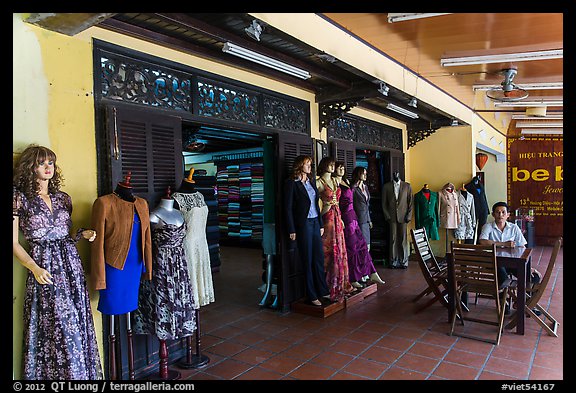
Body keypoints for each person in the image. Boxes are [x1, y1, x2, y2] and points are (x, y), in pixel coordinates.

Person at [12, 144, 102, 380]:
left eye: (50, 162)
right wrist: (34, 267)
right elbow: (13, 243)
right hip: (45, 268)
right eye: (41, 163)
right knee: (57, 328)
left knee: (76, 322)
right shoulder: (19, 199)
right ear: (30, 167)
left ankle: (82, 377)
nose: (47, 167)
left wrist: (82, 234)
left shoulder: (63, 198)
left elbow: (64, 234)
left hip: (71, 267)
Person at [134, 187, 197, 340]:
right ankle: (163, 330)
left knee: (179, 297)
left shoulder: (179, 214)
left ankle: (178, 327)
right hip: (161, 265)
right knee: (162, 300)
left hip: (179, 265)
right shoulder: (153, 216)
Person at [91, 173, 153, 315]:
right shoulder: (104, 203)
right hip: (114, 266)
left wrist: (148, 267)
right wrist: (99, 278)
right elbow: (97, 244)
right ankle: (113, 335)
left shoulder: (142, 204)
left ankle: (128, 334)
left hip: (135, 265)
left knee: (131, 305)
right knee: (112, 306)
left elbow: (147, 239)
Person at [284, 155, 330, 306]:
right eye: (307, 164)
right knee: (308, 259)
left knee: (318, 257)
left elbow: (316, 205)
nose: (310, 166)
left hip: (315, 223)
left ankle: (323, 291)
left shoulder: (311, 182)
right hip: (303, 225)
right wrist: (292, 229)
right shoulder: (292, 183)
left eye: (310, 164)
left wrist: (321, 224)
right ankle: (312, 295)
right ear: (299, 166)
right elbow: (288, 208)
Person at [334, 162, 385, 288]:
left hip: (355, 218)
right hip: (346, 218)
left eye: (342, 167)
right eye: (338, 167)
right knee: (352, 249)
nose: (341, 168)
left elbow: (367, 205)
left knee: (363, 246)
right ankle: (354, 277)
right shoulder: (343, 185)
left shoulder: (345, 182)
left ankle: (371, 272)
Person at [172, 168, 215, 308]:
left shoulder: (200, 196)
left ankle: (199, 299)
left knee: (200, 270)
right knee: (191, 273)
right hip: (188, 243)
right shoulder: (176, 198)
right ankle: (191, 302)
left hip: (202, 241)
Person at [317, 157, 354, 302]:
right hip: (327, 217)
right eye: (330, 165)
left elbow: (338, 202)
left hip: (338, 217)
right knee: (328, 250)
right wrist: (326, 206)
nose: (333, 167)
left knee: (340, 248)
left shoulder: (335, 181)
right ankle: (327, 284)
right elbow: (314, 204)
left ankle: (340, 282)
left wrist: (342, 219)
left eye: (334, 165)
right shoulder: (319, 182)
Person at [479, 201, 527, 286]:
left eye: (503, 212)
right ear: (493, 215)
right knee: (502, 275)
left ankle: (524, 298)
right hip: (492, 262)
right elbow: (482, 241)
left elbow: (522, 245)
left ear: (508, 215)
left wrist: (527, 266)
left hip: (511, 263)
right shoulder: (488, 226)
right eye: (497, 212)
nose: (500, 215)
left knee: (532, 276)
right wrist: (504, 244)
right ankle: (503, 296)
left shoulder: (514, 228)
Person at [381, 171, 413, 269]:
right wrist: (387, 216)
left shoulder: (407, 186)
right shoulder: (386, 187)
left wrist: (409, 216)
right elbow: (384, 203)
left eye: (397, 173)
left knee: (403, 239)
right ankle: (393, 261)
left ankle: (403, 261)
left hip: (403, 217)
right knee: (393, 239)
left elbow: (411, 202)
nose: (395, 175)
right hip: (392, 217)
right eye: (394, 173)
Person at [351, 166, 372, 248]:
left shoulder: (365, 187)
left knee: (367, 245)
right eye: (363, 174)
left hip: (366, 219)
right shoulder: (353, 188)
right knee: (361, 244)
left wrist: (369, 220)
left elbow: (367, 205)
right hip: (358, 218)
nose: (365, 176)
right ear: (358, 174)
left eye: (366, 174)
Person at [465, 175, 490, 242]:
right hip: (474, 208)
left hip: (483, 208)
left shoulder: (481, 186)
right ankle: (470, 243)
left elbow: (484, 197)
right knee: (472, 226)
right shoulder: (469, 186)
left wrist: (487, 209)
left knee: (482, 227)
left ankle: (480, 242)